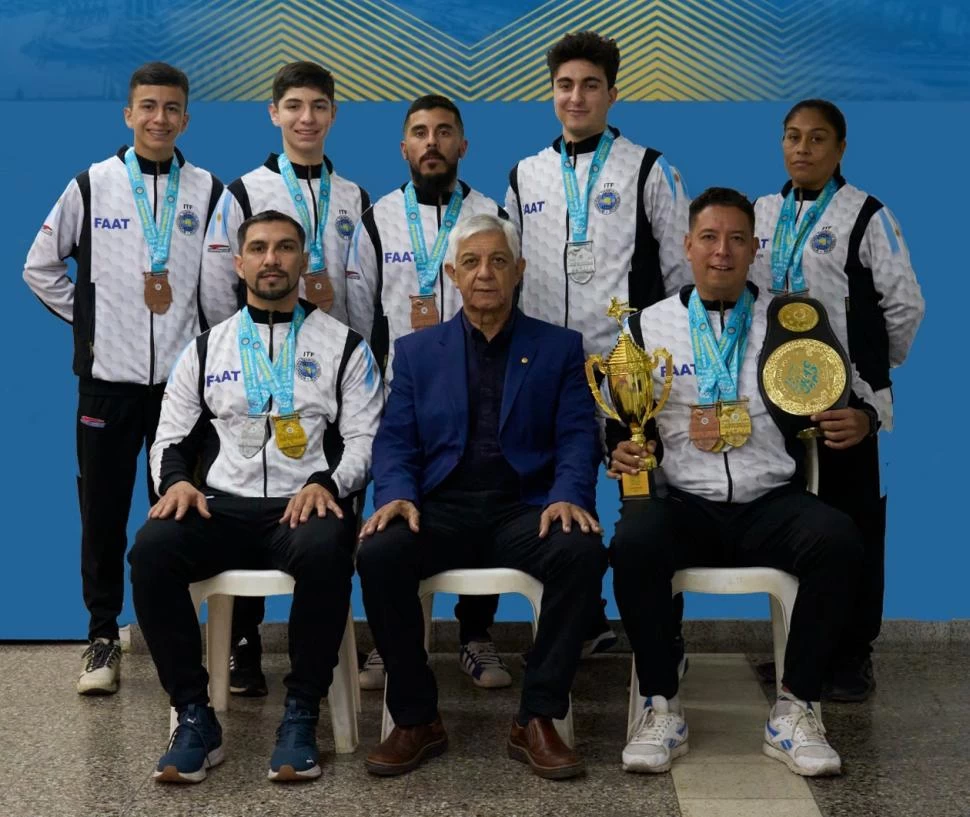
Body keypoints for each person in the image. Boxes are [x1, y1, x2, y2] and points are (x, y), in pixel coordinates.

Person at [609, 187, 870, 778]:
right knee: (633, 543)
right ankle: (660, 704)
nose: (721, 252)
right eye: (708, 238)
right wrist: (620, 448)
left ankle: (795, 708)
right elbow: (622, 416)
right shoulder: (650, 324)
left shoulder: (791, 318)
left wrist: (865, 416)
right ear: (687, 246)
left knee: (839, 539)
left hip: (770, 501)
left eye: (735, 239)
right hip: (685, 503)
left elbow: (841, 395)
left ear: (756, 248)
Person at [128, 210, 383, 783]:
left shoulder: (344, 347)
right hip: (220, 507)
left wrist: (327, 484)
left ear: (304, 261)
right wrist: (178, 484)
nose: (272, 259)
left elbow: (367, 439)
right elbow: (168, 437)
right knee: (151, 551)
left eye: (286, 248)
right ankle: (194, 715)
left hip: (304, 506)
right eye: (260, 248)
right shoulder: (204, 349)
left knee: (325, 551)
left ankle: (300, 714)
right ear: (239, 263)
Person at [356, 214, 605, 780]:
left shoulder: (559, 347)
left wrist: (568, 495)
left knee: (582, 551)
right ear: (452, 273)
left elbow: (575, 435)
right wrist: (394, 494)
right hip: (439, 508)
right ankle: (416, 717)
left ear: (518, 271)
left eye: (498, 262)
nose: (485, 273)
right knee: (378, 551)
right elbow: (394, 438)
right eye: (471, 262)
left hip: (524, 508)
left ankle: (537, 717)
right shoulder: (417, 351)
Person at [22, 62, 225, 696]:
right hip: (106, 384)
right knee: (103, 512)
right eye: (148, 107)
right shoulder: (92, 185)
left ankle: (187, 636)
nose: (159, 118)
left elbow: (220, 290)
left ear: (186, 118)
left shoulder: (209, 191)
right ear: (128, 115)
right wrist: (91, 328)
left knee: (186, 510)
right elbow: (41, 267)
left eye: (171, 108)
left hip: (181, 390)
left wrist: (209, 358)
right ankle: (102, 636)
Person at [505, 30, 692, 664]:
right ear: (550, 92)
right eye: (564, 85)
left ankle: (662, 636)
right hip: (548, 370)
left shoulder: (650, 168)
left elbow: (680, 279)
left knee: (648, 499)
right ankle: (580, 621)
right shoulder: (525, 173)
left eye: (589, 86)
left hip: (628, 375)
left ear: (613, 93)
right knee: (554, 490)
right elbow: (509, 272)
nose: (575, 97)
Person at [200, 60, 370, 698]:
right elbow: (219, 292)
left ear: (333, 115)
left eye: (319, 106)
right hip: (254, 371)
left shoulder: (353, 195)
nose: (307, 117)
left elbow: (364, 290)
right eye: (294, 105)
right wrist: (247, 366)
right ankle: (243, 645)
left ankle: (316, 653)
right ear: (274, 114)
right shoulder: (242, 192)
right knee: (241, 492)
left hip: (326, 372)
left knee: (324, 517)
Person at [750, 99, 925, 701]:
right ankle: (799, 647)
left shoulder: (867, 214)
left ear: (840, 148)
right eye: (792, 137)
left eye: (817, 138)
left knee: (853, 526)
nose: (802, 148)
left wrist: (868, 383)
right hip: (774, 406)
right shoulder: (761, 212)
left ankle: (852, 654)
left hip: (845, 407)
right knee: (790, 525)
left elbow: (904, 307)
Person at [346, 94, 512, 692]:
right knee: (396, 512)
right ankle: (394, 644)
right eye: (420, 132)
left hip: (482, 387)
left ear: (463, 146)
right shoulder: (377, 217)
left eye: (445, 132)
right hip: (402, 390)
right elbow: (361, 318)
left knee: (485, 500)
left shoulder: (493, 211)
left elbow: (511, 297)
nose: (432, 142)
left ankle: (476, 636)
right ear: (404, 148)